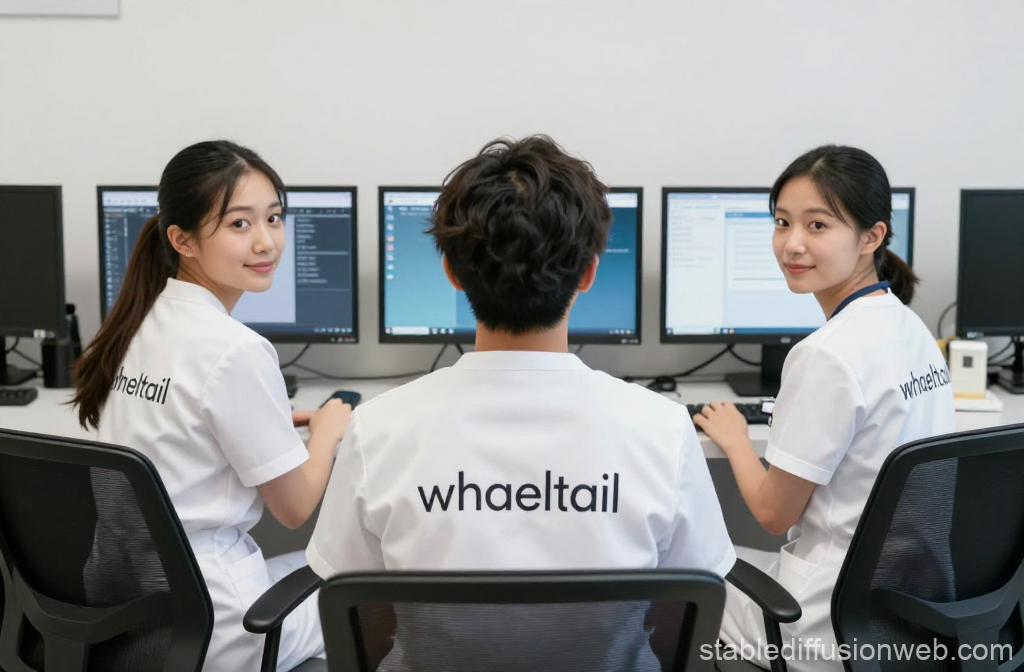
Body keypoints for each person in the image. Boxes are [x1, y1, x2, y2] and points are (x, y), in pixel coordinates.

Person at [306, 135, 736, 671]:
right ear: (588, 274)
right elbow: (687, 608)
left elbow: (360, 608)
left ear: (453, 273)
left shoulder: (377, 429)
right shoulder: (664, 429)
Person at [72, 140, 350, 672]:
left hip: (140, 615)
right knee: (363, 579)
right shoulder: (236, 350)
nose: (267, 241)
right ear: (183, 240)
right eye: (239, 225)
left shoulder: (138, 323)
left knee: (312, 568)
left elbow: (182, 421)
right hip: (223, 627)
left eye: (273, 218)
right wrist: (328, 433)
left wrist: (262, 423)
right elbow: (294, 510)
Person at [694, 145, 956, 670]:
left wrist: (737, 441)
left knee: (684, 573)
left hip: (824, 626)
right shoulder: (910, 327)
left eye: (817, 226)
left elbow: (772, 514)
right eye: (782, 222)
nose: (792, 244)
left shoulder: (824, 354)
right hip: (908, 611)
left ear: (871, 237)